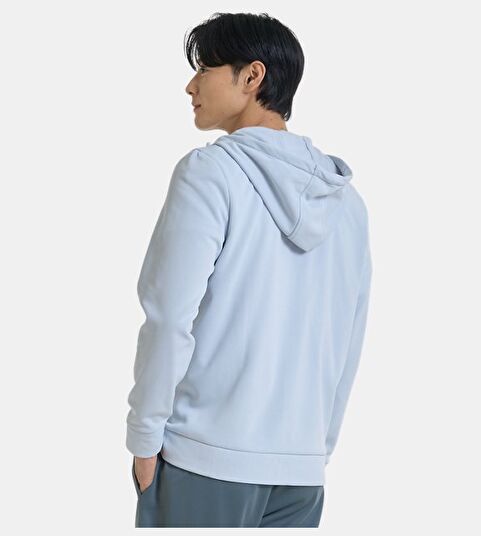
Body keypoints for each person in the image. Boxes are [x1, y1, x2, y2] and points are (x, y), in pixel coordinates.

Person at [125, 12, 372, 528]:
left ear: (252, 76)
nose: (191, 85)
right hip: (301, 471)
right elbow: (348, 339)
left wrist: (144, 437)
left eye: (205, 68)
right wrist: (316, 450)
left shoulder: (210, 173)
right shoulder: (347, 203)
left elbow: (169, 317)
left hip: (205, 461)